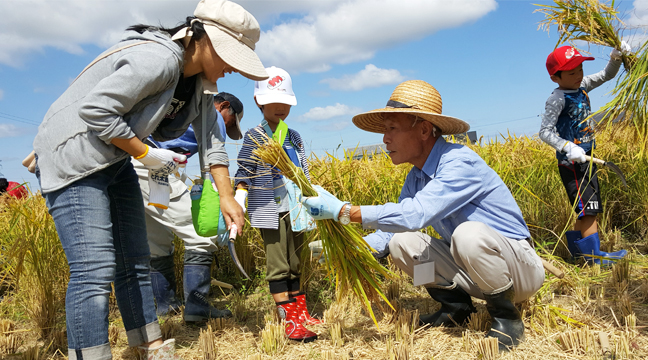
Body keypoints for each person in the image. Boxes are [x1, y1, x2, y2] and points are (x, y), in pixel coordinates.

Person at [31, 0, 267, 358]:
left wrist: (226, 195)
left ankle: (148, 346)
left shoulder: (201, 89)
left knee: (135, 260)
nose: (233, 68)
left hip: (115, 158)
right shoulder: (159, 59)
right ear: (203, 39)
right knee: (94, 269)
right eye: (231, 55)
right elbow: (95, 109)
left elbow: (213, 147)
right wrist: (145, 154)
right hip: (74, 157)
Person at [303, 80, 545, 351]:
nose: (385, 139)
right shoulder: (416, 177)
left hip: (517, 270)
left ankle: (506, 318)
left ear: (424, 129)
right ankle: (455, 306)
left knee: (468, 233)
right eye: (384, 130)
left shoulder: (459, 162)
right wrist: (353, 250)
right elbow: (393, 230)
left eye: (392, 129)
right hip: (473, 272)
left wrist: (344, 212)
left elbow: (415, 214)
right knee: (401, 244)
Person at [135, 93, 244, 322]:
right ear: (224, 107)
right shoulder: (212, 117)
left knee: (157, 243)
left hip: (133, 162)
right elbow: (212, 163)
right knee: (201, 236)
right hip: (156, 166)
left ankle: (167, 306)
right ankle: (196, 307)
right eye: (231, 121)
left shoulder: (180, 108)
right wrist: (221, 197)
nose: (227, 126)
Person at [234, 66, 319, 343]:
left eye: (285, 102)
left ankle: (300, 315)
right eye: (273, 102)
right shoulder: (255, 136)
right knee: (279, 263)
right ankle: (289, 323)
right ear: (259, 102)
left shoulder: (294, 136)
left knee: (296, 261)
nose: (281, 107)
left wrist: (312, 201)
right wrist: (239, 199)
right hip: (268, 208)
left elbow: (304, 172)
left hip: (296, 206)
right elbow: (244, 170)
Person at [539, 44, 631, 266]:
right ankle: (594, 258)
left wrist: (616, 58)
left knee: (584, 211)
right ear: (555, 78)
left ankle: (579, 256)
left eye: (580, 69)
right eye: (572, 72)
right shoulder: (558, 98)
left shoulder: (583, 86)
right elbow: (544, 132)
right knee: (590, 210)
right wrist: (567, 146)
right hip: (572, 164)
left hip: (587, 159)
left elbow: (606, 75)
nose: (579, 75)